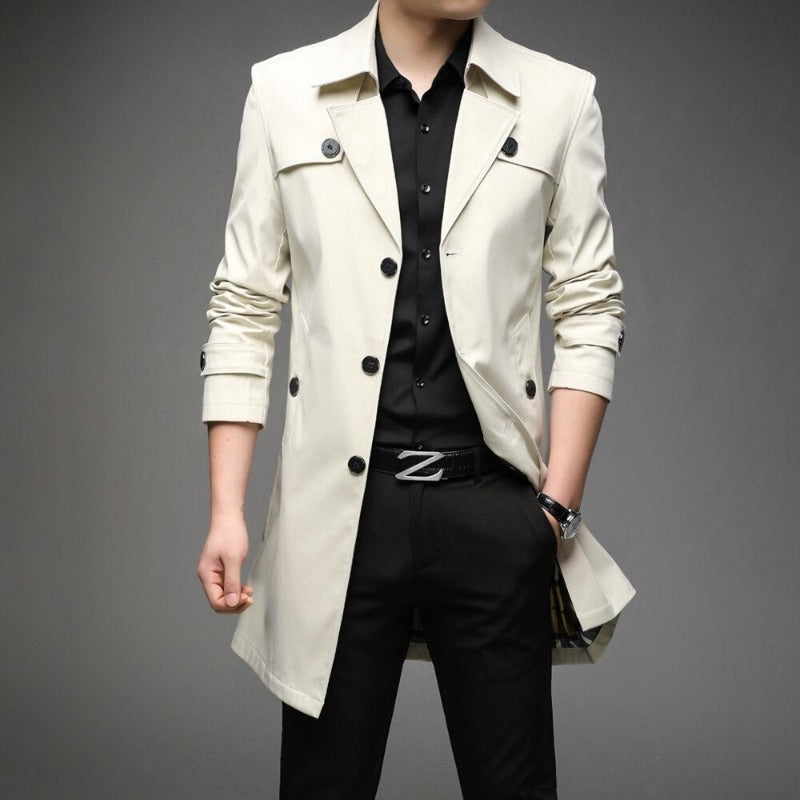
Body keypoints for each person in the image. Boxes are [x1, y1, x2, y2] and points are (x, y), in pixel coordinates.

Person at [196, 0, 635, 797]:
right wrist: (227, 509)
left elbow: (590, 304)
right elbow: (245, 306)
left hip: (494, 509)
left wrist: (555, 509)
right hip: (340, 517)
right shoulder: (284, 92)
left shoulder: (561, 98)